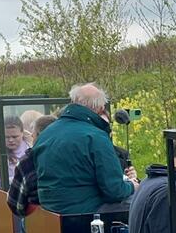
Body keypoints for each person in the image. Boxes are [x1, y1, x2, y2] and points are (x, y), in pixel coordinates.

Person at [31, 83, 138, 214]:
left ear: (73, 102)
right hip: (86, 213)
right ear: (100, 108)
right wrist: (132, 185)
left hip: (50, 212)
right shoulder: (96, 137)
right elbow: (115, 191)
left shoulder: (46, 134)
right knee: (142, 203)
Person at [7, 115, 55, 217]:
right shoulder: (73, 155)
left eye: (33, 135)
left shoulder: (28, 161)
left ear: (38, 135)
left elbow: (15, 204)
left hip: (37, 217)